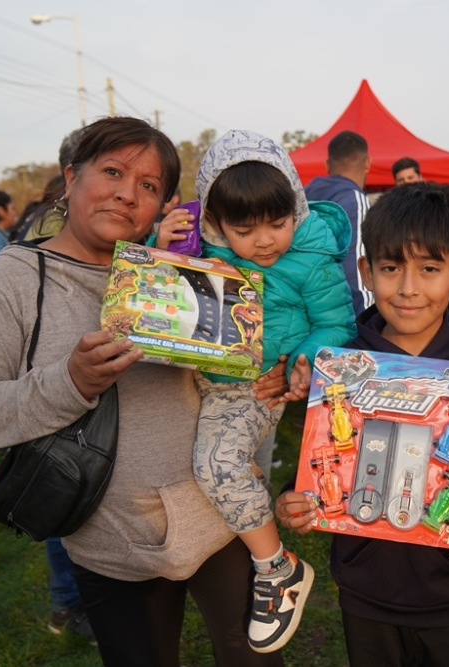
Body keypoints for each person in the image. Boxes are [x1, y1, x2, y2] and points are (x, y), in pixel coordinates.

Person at [0, 116, 296, 667]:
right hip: (111, 542)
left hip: (220, 523)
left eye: (148, 186)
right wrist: (69, 383)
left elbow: (233, 370)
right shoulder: (6, 282)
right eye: (113, 172)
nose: (127, 193)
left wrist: (270, 377)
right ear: (71, 177)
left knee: (256, 660)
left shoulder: (183, 272)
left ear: (164, 205)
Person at [274, 183, 449, 666]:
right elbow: (321, 457)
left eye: (429, 269)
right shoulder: (340, 363)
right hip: (366, 594)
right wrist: (293, 498)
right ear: (366, 271)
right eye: (390, 268)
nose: (408, 288)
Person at [156, 129, 355, 653]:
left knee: (216, 466)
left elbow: (336, 324)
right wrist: (173, 251)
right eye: (245, 229)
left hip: (249, 389)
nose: (265, 240)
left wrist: (304, 359)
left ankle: (277, 567)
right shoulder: (210, 250)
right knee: (208, 470)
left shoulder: (311, 260)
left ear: (296, 208)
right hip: (195, 377)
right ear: (217, 223)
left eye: (278, 222)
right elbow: (156, 302)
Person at [304, 130, 372, 315]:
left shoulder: (302, 196)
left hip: (303, 316)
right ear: (368, 163)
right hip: (341, 320)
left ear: (327, 164)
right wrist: (368, 327)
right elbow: (356, 274)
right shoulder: (355, 201)